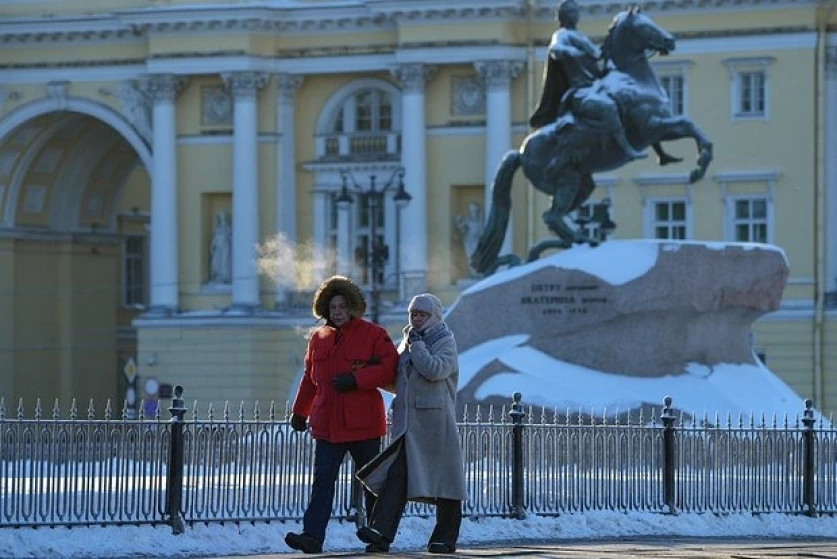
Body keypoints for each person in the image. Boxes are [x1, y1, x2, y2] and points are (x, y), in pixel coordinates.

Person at [284, 275, 398, 555]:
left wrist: (356, 380)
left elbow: (389, 368)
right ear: (325, 308)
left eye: (343, 306)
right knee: (322, 481)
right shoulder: (318, 338)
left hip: (363, 425)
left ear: (353, 308)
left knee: (373, 482)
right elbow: (310, 380)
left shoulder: (373, 334)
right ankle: (312, 536)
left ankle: (379, 535)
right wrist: (300, 411)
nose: (337, 312)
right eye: (333, 307)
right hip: (327, 425)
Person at [355, 293, 468, 555]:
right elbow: (398, 381)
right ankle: (380, 533)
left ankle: (445, 538)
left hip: (435, 425)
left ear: (434, 317)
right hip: (408, 426)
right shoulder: (408, 342)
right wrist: (372, 372)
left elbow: (435, 370)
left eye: (422, 315)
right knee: (396, 478)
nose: (416, 319)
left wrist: (416, 347)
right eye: (413, 314)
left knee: (446, 482)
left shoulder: (445, 341)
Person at [530, 0, 680, 176]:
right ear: (563, 16)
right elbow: (555, 48)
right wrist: (568, 52)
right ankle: (626, 148)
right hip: (580, 92)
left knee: (632, 105)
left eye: (576, 11)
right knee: (607, 108)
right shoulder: (562, 35)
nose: (575, 15)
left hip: (595, 86)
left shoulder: (580, 36)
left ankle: (660, 153)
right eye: (571, 11)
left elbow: (597, 58)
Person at [209, 210, 232, 284]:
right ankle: (218, 276)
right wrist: (212, 246)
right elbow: (215, 238)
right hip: (218, 247)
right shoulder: (218, 228)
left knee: (224, 262)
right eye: (221, 216)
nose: (222, 218)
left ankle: (225, 277)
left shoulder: (229, 227)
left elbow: (231, 238)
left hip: (225, 247)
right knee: (216, 262)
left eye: (223, 216)